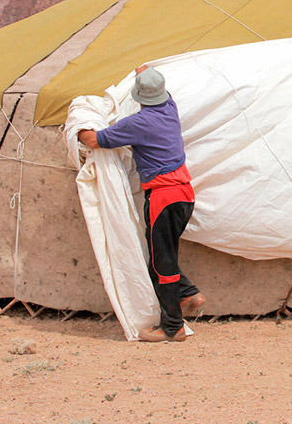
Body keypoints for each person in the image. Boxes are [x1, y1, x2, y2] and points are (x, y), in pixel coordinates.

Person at [77, 65, 205, 342]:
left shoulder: (137, 123)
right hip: (185, 195)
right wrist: (145, 72)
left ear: (140, 97)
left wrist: (77, 121)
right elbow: (148, 73)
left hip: (163, 197)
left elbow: (93, 140)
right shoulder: (169, 107)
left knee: (162, 265)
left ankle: (173, 327)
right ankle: (188, 293)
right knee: (163, 257)